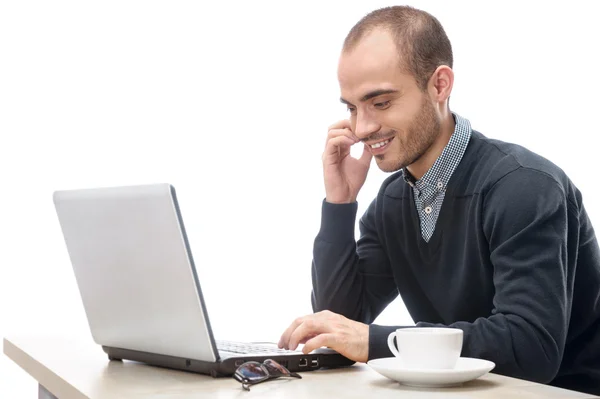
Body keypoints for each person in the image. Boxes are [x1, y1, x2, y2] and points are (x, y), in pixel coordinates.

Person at [277, 5, 600, 395]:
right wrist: (340, 204)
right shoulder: (392, 202)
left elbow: (531, 347)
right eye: (351, 107)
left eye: (380, 103)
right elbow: (341, 327)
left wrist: (379, 342)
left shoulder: (524, 186)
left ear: (440, 85)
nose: (361, 128)